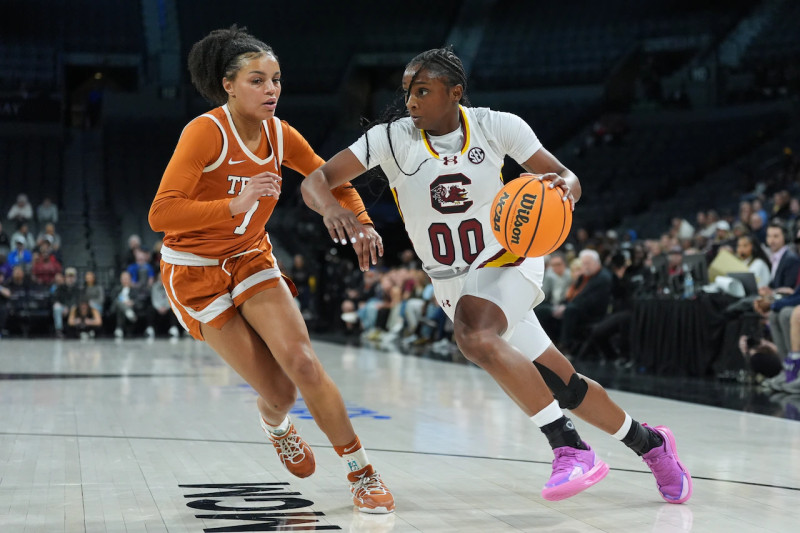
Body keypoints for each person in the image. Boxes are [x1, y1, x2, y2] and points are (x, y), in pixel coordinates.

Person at [301, 46, 691, 504]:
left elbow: (568, 177)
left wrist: (562, 188)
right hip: (452, 282)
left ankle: (570, 448)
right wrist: (333, 209)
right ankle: (652, 445)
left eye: (422, 90)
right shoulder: (391, 139)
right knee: (565, 386)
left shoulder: (496, 125)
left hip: (509, 255)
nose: (410, 100)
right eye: (407, 90)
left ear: (455, 93)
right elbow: (315, 180)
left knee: (473, 333)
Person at [147, 26, 393, 513]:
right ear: (229, 86)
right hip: (194, 270)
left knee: (303, 362)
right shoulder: (205, 132)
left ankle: (361, 472)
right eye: (257, 80)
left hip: (251, 257)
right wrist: (232, 203)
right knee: (278, 391)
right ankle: (276, 425)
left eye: (276, 79)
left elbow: (330, 179)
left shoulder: (281, 134)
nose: (271, 90)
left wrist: (361, 221)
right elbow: (161, 213)